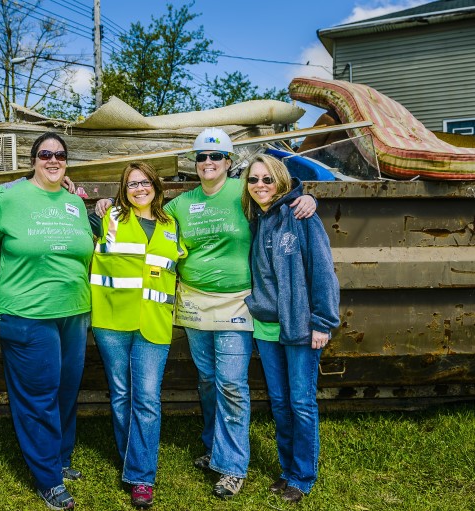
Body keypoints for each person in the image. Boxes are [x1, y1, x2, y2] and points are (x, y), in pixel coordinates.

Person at [95, 127, 316, 499]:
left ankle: (231, 467)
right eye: (201, 157)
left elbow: (276, 197)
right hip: (195, 306)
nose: (208, 163)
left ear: (229, 163)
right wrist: (103, 204)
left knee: (232, 383)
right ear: (194, 164)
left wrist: (307, 200)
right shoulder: (180, 206)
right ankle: (214, 447)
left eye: (216, 157)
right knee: (209, 382)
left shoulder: (243, 193)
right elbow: (140, 221)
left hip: (236, 304)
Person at [0, 132, 94, 511]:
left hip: (75, 311)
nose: (53, 160)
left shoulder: (73, 203)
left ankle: (61, 459)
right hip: (28, 313)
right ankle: (48, 478)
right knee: (39, 396)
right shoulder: (8, 198)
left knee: (66, 390)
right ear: (32, 160)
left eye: (60, 155)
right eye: (45, 154)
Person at [241, 154, 340, 504]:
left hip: (300, 327)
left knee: (301, 403)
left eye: (267, 179)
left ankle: (302, 476)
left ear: (281, 180)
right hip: (267, 328)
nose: (260, 186)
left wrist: (323, 322)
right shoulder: (256, 219)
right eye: (253, 179)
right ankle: (286, 471)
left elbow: (323, 270)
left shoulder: (300, 215)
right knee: (281, 404)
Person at [89, 162, 185, 508]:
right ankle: (133, 460)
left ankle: (141, 477)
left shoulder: (172, 225)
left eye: (145, 183)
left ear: (156, 187)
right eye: (131, 184)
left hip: (154, 324)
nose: (139, 189)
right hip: (112, 322)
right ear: (123, 189)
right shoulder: (108, 218)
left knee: (146, 398)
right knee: (120, 395)